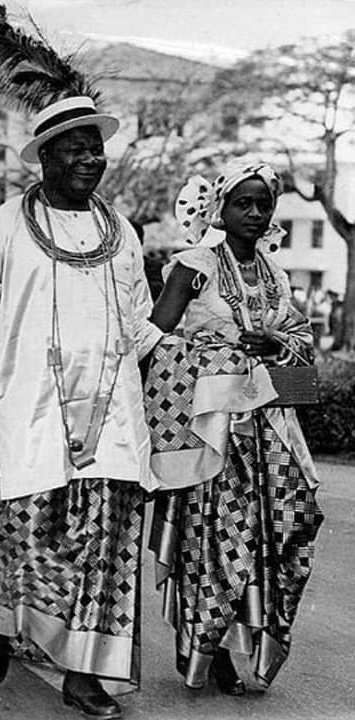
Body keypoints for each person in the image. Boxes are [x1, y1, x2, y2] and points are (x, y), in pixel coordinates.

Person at [0, 85, 161, 717]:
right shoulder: (1, 228)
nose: (91, 159)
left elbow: (139, 328)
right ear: (46, 156)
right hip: (34, 414)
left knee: (108, 545)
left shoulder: (123, 234)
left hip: (113, 416)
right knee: (34, 537)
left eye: (97, 149)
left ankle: (84, 675)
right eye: (76, 148)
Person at [145, 162, 324, 695]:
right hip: (213, 433)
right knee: (218, 540)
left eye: (263, 203)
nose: (253, 213)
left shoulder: (275, 273)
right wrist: (215, 359)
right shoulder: (194, 265)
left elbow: (300, 338)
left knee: (287, 527)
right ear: (219, 208)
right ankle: (210, 649)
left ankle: (249, 639)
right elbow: (156, 337)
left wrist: (277, 346)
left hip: (270, 427)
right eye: (242, 203)